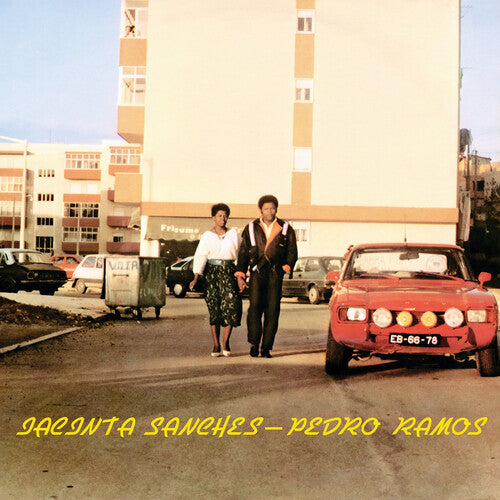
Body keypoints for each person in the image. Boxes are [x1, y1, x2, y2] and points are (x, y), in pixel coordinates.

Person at [235, 195, 297, 358]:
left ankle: (266, 347)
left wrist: (286, 266)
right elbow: (243, 253)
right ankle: (254, 344)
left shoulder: (286, 228)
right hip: (257, 273)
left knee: (272, 310)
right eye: (266, 208)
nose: (269, 211)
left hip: (275, 274)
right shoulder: (251, 227)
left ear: (276, 209)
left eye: (272, 208)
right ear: (261, 210)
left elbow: (292, 251)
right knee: (254, 308)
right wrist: (240, 274)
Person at [190, 203, 242, 357]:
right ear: (213, 217)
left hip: (229, 272)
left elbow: (240, 255)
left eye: (225, 216)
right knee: (214, 309)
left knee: (230, 306)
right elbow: (201, 255)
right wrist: (196, 276)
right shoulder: (207, 236)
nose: (223, 218)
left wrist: (240, 276)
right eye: (219, 215)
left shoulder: (234, 234)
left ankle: (225, 342)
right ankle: (216, 344)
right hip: (212, 273)